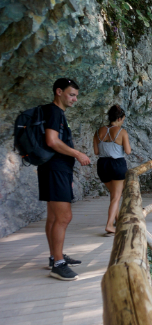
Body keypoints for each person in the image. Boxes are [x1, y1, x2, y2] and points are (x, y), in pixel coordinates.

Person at [39, 78, 91, 281]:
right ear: (59, 92)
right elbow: (52, 141)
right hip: (55, 170)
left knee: (53, 217)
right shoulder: (53, 112)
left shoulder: (53, 112)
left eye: (76, 95)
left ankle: (55, 257)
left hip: (53, 169)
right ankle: (58, 264)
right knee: (63, 217)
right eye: (71, 94)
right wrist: (77, 153)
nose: (75, 99)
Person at [93, 105, 131, 233]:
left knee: (114, 195)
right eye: (123, 119)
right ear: (119, 118)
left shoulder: (98, 131)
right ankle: (109, 225)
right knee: (116, 196)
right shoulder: (122, 132)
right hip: (117, 164)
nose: (123, 122)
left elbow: (96, 151)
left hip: (102, 165)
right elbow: (128, 151)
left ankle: (118, 220)